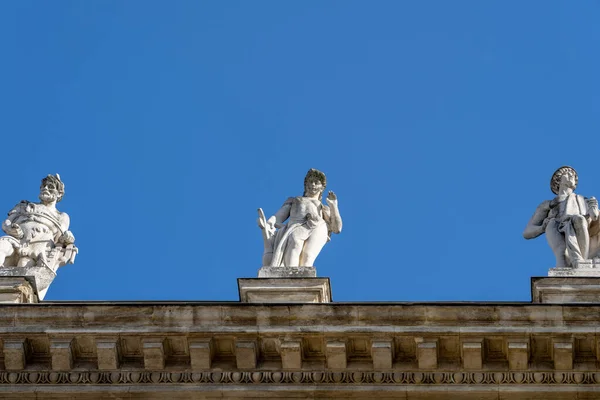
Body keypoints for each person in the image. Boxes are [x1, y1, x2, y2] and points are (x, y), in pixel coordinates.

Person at [259, 169, 342, 267]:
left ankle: (304, 278)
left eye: (316, 182)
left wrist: (334, 205)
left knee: (307, 257)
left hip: (318, 226)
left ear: (322, 188)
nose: (313, 185)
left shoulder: (324, 208)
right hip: (296, 226)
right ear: (306, 184)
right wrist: (269, 222)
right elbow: (279, 217)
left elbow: (337, 228)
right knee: (294, 243)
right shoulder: (295, 200)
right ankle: (291, 278)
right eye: (310, 181)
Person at [524, 166, 600, 268]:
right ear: (558, 180)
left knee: (579, 219)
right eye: (568, 174)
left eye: (573, 175)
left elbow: (595, 218)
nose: (571, 176)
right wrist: (542, 227)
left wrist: (593, 209)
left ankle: (582, 261)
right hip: (555, 227)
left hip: (580, 229)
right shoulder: (548, 204)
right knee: (562, 259)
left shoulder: (583, 200)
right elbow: (527, 232)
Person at [0, 174, 76, 269]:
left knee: (24, 265)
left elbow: (59, 239)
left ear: (59, 194)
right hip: (16, 239)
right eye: (44, 186)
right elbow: (7, 222)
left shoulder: (61, 216)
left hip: (38, 246)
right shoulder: (24, 205)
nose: (45, 188)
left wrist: (68, 238)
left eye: (51, 187)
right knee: (1, 246)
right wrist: (10, 228)